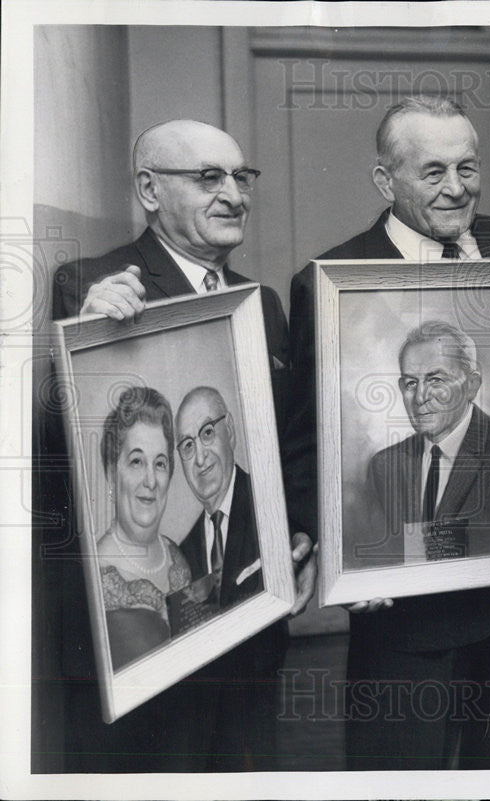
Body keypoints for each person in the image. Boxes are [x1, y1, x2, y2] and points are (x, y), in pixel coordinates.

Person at [44, 119, 316, 771]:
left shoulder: (264, 304)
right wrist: (81, 334)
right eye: (207, 177)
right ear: (148, 189)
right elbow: (59, 449)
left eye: (240, 176)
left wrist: (299, 535)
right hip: (151, 658)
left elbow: (285, 443)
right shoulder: (92, 285)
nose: (234, 193)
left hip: (251, 636)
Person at [283, 95, 490, 770]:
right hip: (399, 612)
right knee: (399, 768)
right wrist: (344, 551)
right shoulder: (329, 281)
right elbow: (310, 442)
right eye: (433, 172)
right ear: (384, 180)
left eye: (468, 166)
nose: (457, 187)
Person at [345, 322, 490, 765]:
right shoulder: (385, 464)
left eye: (435, 380)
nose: (420, 396)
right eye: (409, 383)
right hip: (405, 646)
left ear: (472, 384)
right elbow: (378, 550)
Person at [97, 386, 192, 671]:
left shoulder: (179, 557)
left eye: (160, 464)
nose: (151, 480)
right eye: (137, 461)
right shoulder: (95, 575)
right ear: (113, 474)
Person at [176, 386, 263, 609]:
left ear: (230, 431)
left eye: (207, 433)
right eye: (187, 446)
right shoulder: (183, 553)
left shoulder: (266, 502)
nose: (199, 458)